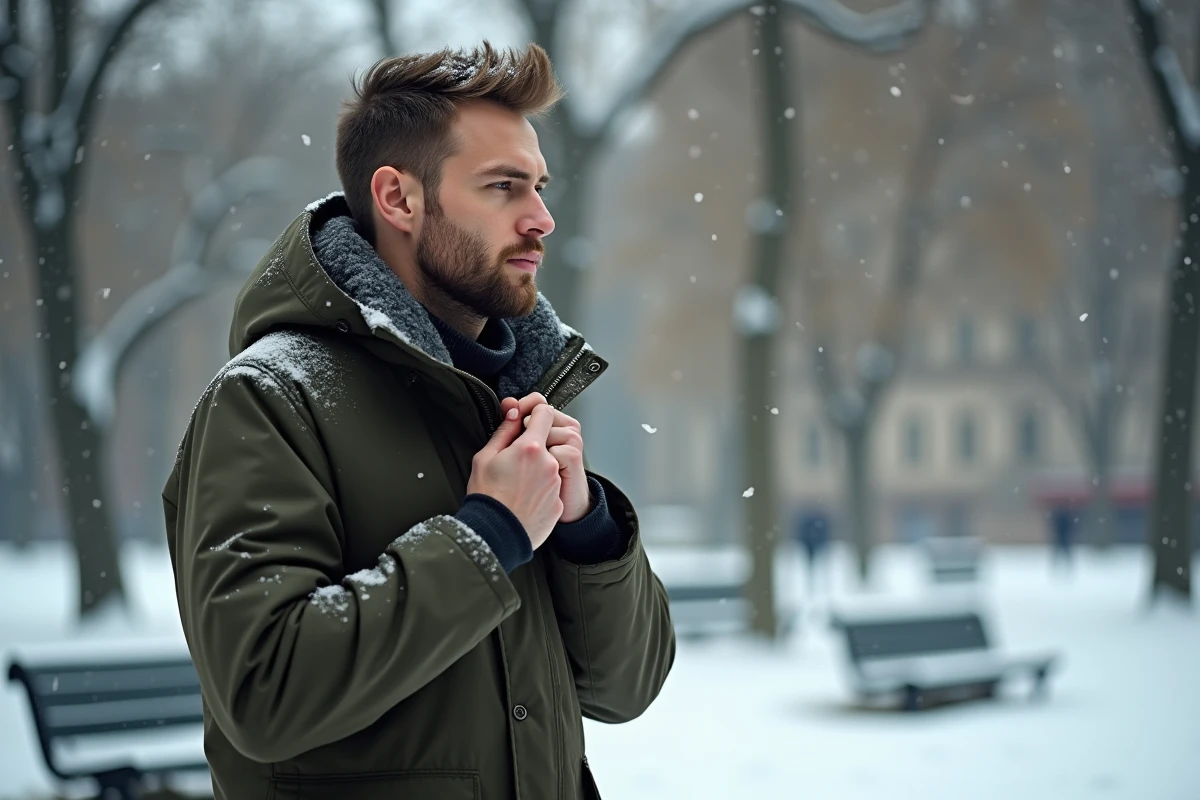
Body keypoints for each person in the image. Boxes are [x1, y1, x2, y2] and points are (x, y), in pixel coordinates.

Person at [164, 42, 675, 800]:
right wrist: (488, 535)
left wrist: (585, 528)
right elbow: (263, 692)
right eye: (504, 187)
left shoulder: (509, 402)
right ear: (399, 199)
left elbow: (624, 690)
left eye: (539, 186)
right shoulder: (271, 399)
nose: (542, 218)